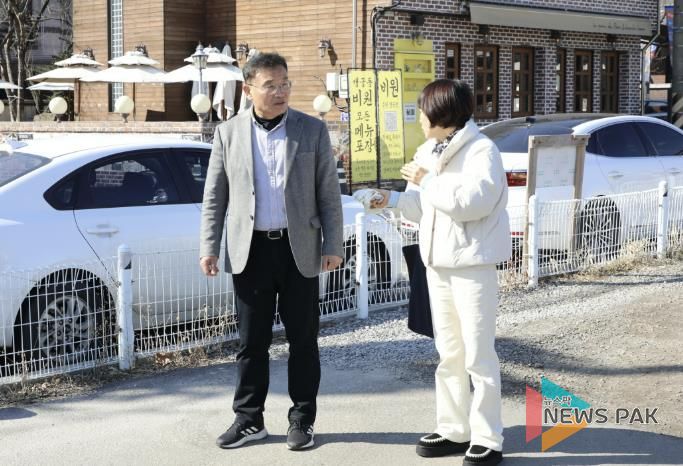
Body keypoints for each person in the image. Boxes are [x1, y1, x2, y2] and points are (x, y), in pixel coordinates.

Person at [199, 52, 344, 451]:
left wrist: (333, 245)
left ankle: (302, 419)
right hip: (251, 250)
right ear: (248, 90)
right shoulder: (228, 133)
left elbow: (328, 194)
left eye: (285, 84)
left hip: (300, 249)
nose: (280, 92)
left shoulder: (311, 130)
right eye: (270, 86)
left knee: (303, 341)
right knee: (251, 343)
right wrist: (209, 246)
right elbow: (214, 197)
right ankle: (249, 420)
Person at [367, 79, 510, 465]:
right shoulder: (429, 150)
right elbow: (423, 207)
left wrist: (427, 181)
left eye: (424, 110)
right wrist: (391, 199)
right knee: (449, 352)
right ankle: (454, 429)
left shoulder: (482, 150)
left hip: (473, 264)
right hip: (437, 263)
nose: (420, 117)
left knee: (478, 354)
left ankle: (488, 436)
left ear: (443, 113)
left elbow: (473, 203)